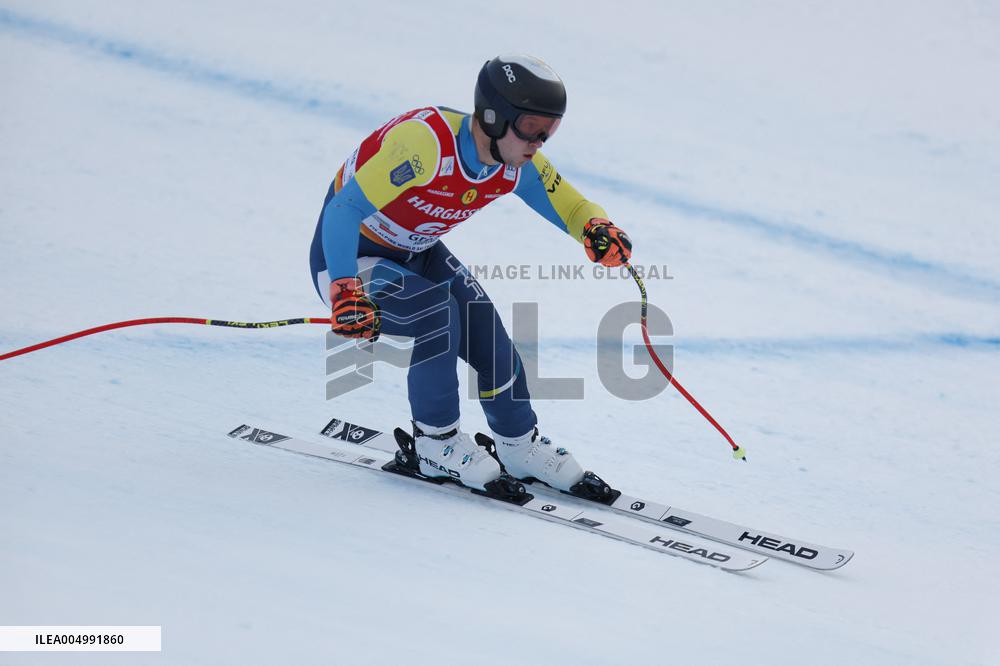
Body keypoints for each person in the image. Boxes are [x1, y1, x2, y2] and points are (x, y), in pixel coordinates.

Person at [309, 54, 632, 497]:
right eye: (532, 127)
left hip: (416, 252)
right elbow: (343, 210)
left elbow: (573, 207)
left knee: (485, 327)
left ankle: (518, 444)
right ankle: (434, 442)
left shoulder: (514, 164)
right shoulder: (425, 146)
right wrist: (345, 287)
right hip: (351, 259)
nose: (539, 141)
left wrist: (596, 228)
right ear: (495, 117)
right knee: (437, 313)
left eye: (550, 129)